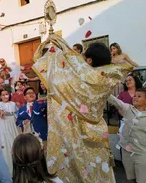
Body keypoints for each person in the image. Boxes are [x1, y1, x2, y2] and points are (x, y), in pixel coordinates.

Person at [32, 33, 133, 182]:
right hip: (97, 132)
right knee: (98, 170)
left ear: (90, 60)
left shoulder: (83, 80)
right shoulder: (107, 78)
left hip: (76, 133)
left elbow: (57, 79)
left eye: (84, 59)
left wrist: (55, 50)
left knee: (79, 170)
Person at [107, 89, 146, 183]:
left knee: (142, 179)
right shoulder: (128, 109)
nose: (135, 98)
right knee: (132, 178)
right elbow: (115, 101)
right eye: (135, 95)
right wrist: (103, 89)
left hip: (142, 153)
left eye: (139, 96)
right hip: (126, 152)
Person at [0, 90, 19, 174]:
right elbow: (0, 110)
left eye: (6, 94)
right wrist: (1, 112)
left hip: (13, 124)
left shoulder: (13, 103)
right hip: (4, 125)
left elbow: (17, 112)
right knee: (5, 144)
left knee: (15, 141)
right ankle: (8, 168)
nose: (5, 96)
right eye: (3, 95)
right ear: (0, 96)